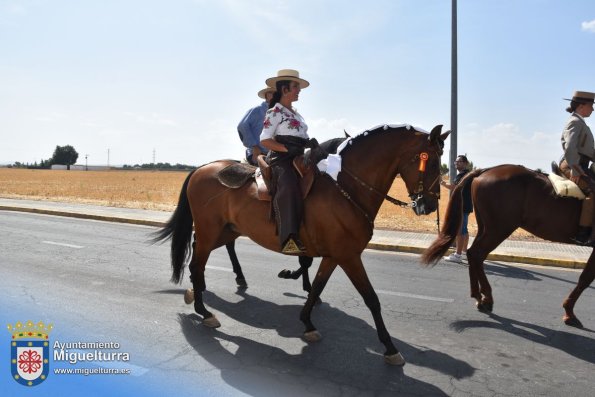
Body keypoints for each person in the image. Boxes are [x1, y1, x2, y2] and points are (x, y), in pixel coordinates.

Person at [260, 69, 316, 255]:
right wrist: (286, 149)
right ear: (285, 89)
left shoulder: (296, 113)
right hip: (281, 159)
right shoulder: (274, 112)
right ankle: (289, 239)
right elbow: (265, 140)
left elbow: (297, 135)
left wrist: (308, 143)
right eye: (296, 87)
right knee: (289, 186)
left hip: (299, 155)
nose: (298, 91)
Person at [559, 90, 595, 245]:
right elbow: (570, 147)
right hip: (573, 165)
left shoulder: (580, 122)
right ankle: (583, 233)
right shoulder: (574, 122)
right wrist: (575, 169)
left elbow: (588, 151)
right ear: (582, 106)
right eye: (591, 106)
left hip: (581, 164)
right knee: (593, 192)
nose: (593, 109)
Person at [441, 155, 473, 263]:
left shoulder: (463, 175)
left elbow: (455, 187)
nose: (456, 163)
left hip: (462, 205)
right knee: (464, 229)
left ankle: (458, 255)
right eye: (456, 162)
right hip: (466, 205)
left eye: (459, 161)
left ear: (465, 163)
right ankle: (464, 253)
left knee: (460, 230)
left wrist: (443, 184)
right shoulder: (467, 174)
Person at [237, 87, 276, 165]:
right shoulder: (257, 110)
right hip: (258, 153)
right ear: (266, 96)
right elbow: (242, 126)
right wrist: (254, 146)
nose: (274, 95)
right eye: (271, 93)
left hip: (275, 154)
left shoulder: (280, 112)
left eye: (276, 93)